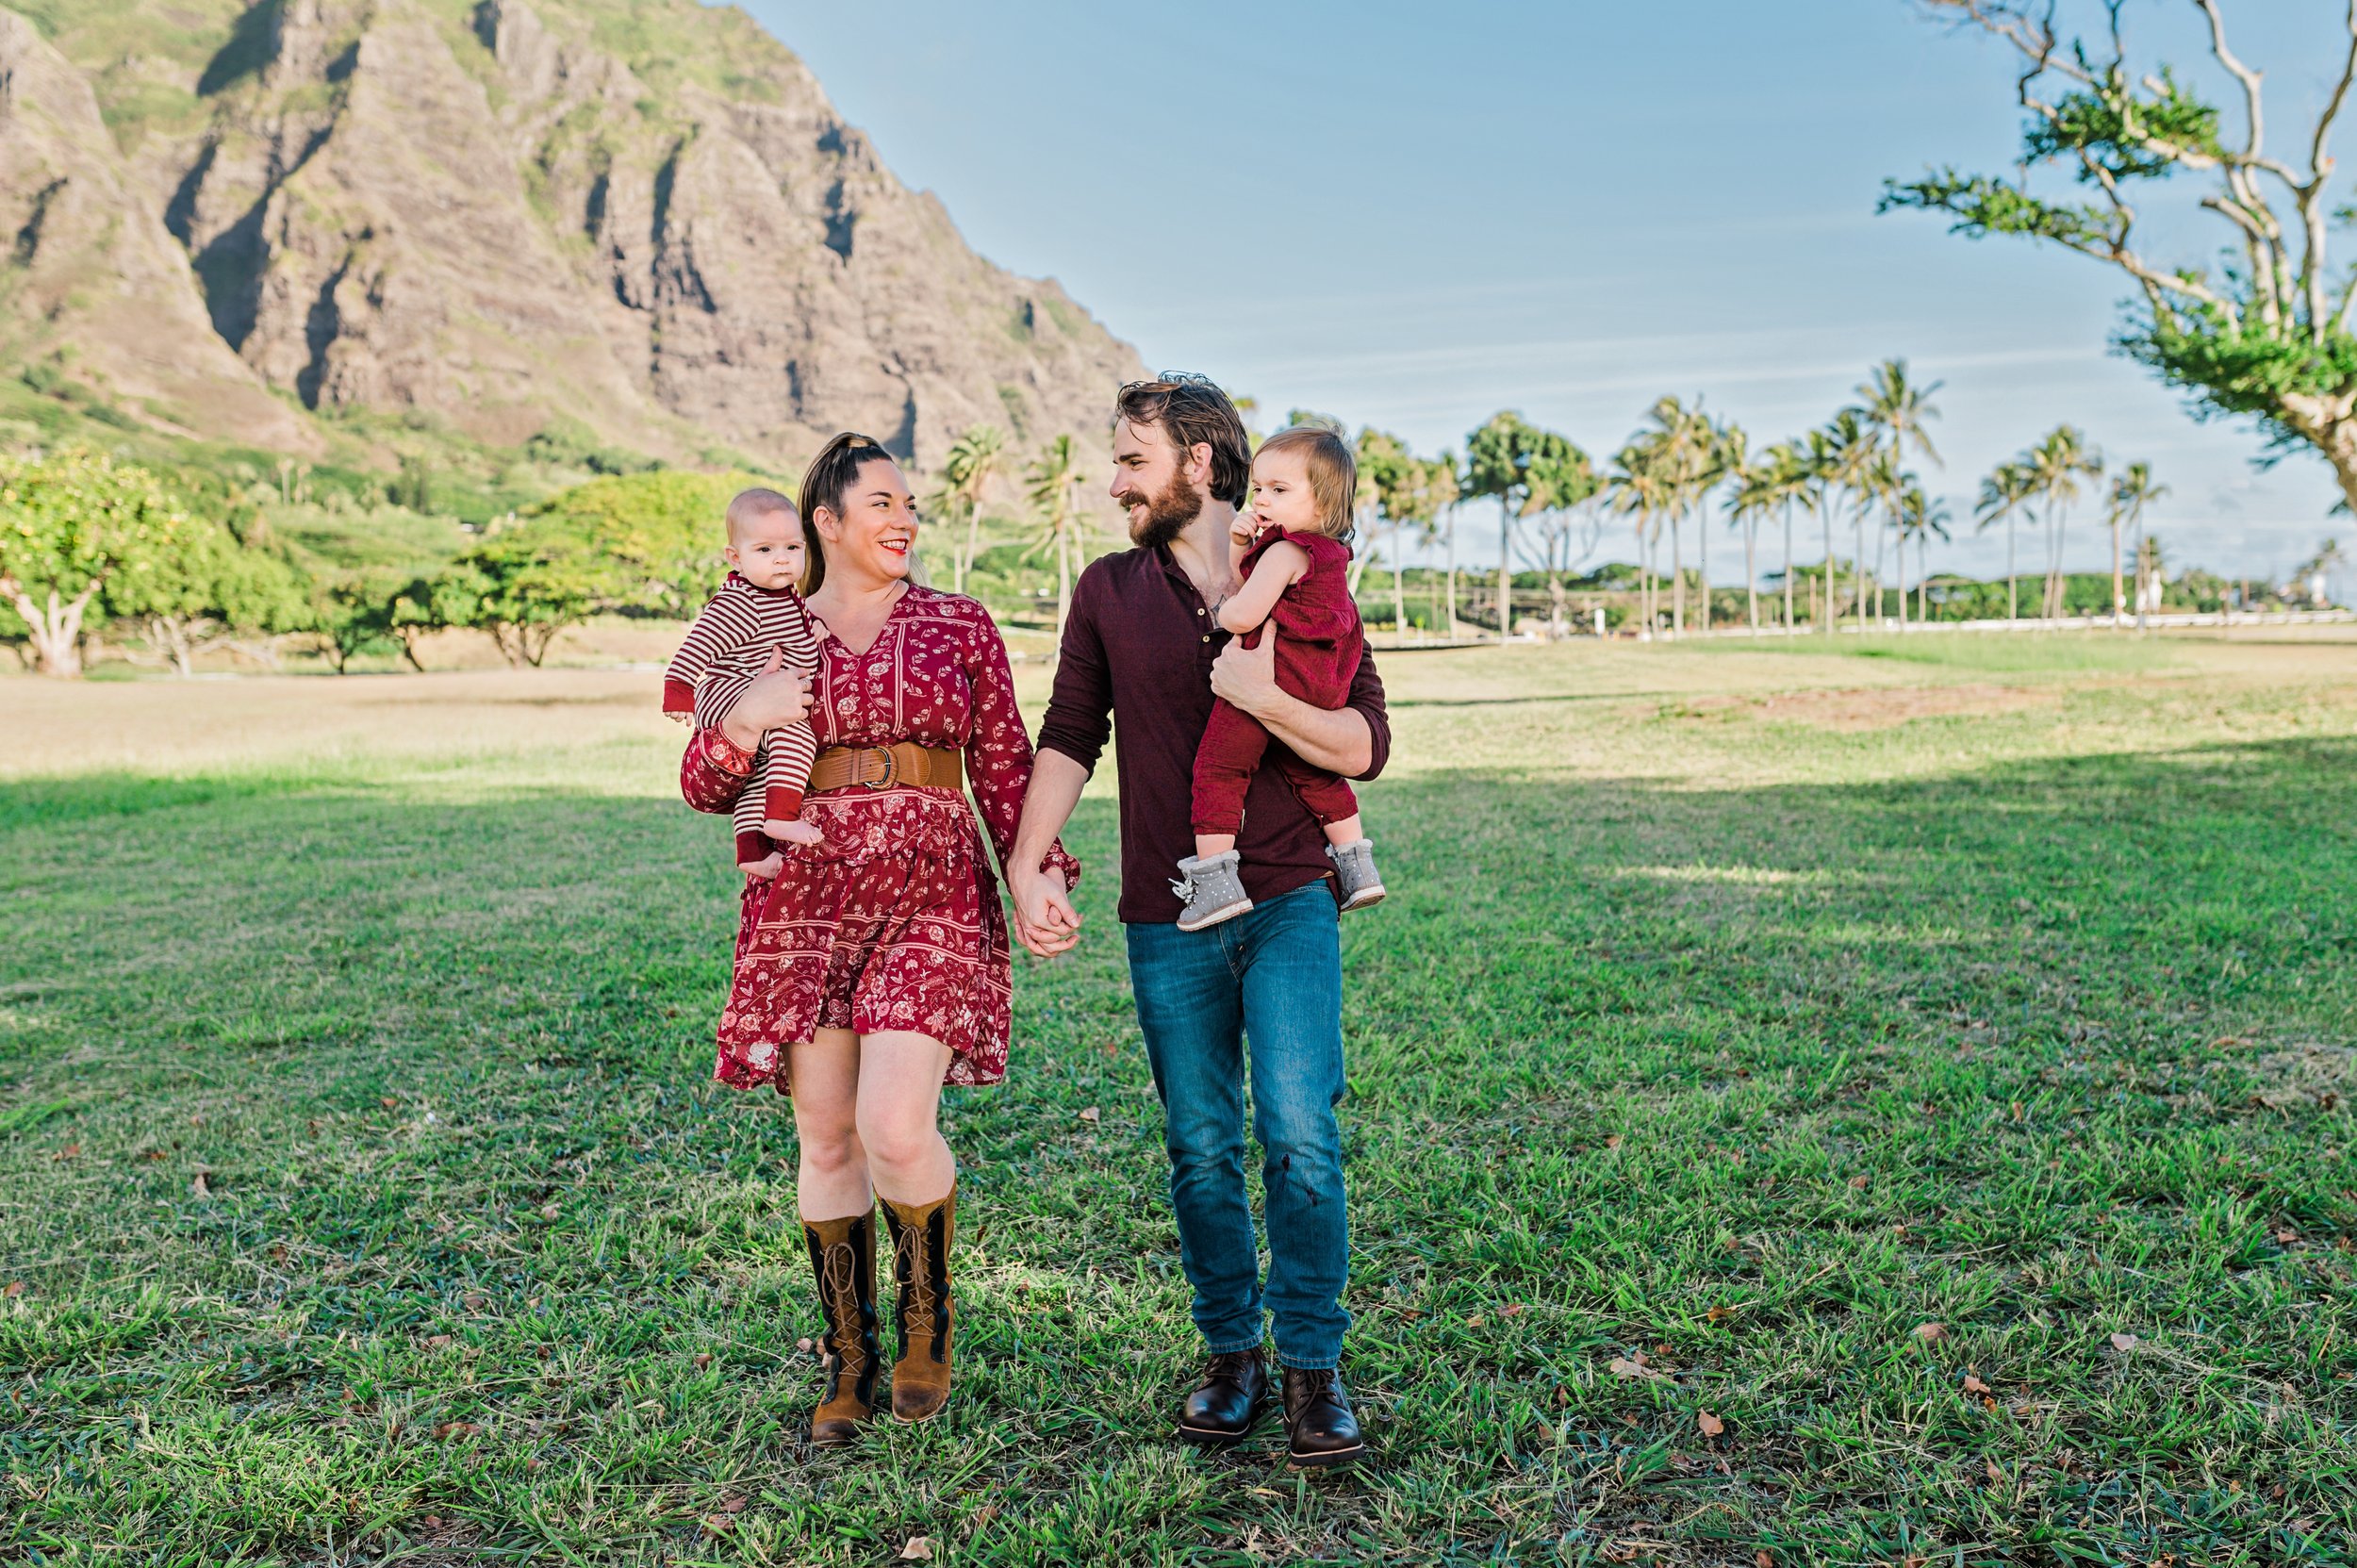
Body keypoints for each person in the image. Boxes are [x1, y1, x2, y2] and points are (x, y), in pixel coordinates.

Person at [1005, 375, 1390, 1470]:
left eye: (1132, 460)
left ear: (1200, 467)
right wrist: (1028, 862)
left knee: (1298, 1130)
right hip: (1163, 912)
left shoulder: (1309, 582)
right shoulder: (1107, 589)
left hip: (1287, 898)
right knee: (1201, 1145)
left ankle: (1314, 1365)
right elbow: (1071, 732)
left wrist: (1265, 698)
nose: (1113, 481)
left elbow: (1364, 744)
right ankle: (1232, 1356)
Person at [678, 432, 1080, 1445]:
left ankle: (924, 1321)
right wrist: (742, 720)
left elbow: (1003, 769)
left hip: (933, 889)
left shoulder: (958, 624)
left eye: (911, 505)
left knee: (895, 1123)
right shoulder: (763, 631)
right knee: (825, 1131)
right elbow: (703, 785)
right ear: (826, 520)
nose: (903, 519)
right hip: (803, 902)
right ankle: (848, 1352)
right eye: (883, 502)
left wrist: (1037, 877)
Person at [1175, 424, 1386, 930]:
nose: (1262, 499)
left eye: (1280, 490)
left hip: (1272, 679)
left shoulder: (1286, 552)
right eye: (1259, 488)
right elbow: (1251, 575)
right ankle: (1356, 865)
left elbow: (1244, 609)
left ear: (1324, 502)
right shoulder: (1327, 556)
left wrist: (1221, 616)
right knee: (1315, 776)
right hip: (1318, 685)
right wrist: (1237, 543)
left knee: (1220, 771)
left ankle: (1215, 883)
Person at [662, 487, 825, 878]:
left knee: (763, 771)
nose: (782, 560)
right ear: (735, 557)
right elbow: (699, 644)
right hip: (731, 692)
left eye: (792, 548)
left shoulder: (783, 595)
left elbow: (792, 630)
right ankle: (781, 817)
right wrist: (679, 692)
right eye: (765, 550)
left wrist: (813, 631)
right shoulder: (740, 601)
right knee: (796, 736)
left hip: (755, 690)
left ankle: (751, 849)